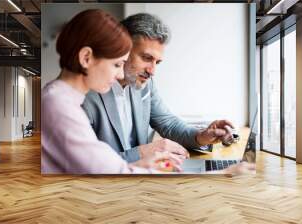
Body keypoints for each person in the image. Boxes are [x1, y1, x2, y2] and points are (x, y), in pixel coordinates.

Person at [41, 9, 182, 174]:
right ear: (86, 58)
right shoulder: (59, 106)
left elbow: (106, 166)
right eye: (116, 65)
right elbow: (109, 172)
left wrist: (141, 165)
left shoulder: (61, 98)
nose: (121, 74)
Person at [82, 13, 236, 163]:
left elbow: (168, 123)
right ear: (122, 49)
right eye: (147, 58)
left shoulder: (144, 84)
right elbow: (86, 163)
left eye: (157, 62)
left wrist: (200, 136)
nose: (152, 71)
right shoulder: (83, 94)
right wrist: (144, 152)